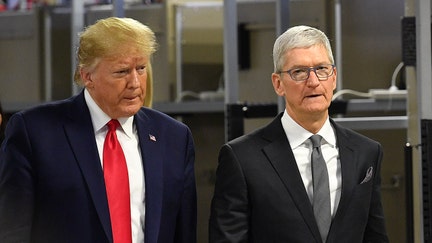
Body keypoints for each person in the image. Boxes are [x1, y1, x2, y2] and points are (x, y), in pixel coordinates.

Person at [0, 17, 197, 243]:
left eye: (141, 68)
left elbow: (184, 233)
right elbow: (12, 230)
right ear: (87, 76)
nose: (135, 82)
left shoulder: (174, 137)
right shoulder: (34, 132)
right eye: (122, 71)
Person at [209, 25, 388, 242]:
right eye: (299, 72)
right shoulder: (242, 158)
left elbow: (375, 236)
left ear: (333, 78)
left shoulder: (366, 152)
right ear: (278, 83)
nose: (313, 82)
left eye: (322, 69)